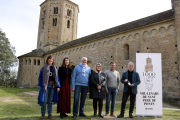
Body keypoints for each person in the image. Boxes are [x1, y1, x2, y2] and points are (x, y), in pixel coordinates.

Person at [38, 55, 60, 120]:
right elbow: (40, 77)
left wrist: (58, 86)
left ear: (53, 60)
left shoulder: (55, 68)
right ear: (47, 60)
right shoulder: (43, 67)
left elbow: (57, 78)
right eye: (49, 59)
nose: (51, 60)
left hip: (52, 86)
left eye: (52, 59)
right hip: (46, 86)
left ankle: (49, 114)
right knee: (44, 101)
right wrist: (41, 84)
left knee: (50, 101)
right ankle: (43, 114)